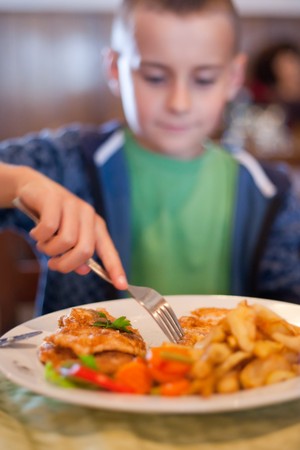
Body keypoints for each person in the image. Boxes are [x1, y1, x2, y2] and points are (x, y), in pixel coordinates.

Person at [0, 0, 300, 316]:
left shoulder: (270, 191)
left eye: (204, 79)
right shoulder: (64, 162)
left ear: (234, 76)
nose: (179, 103)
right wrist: (21, 183)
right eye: (155, 77)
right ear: (114, 69)